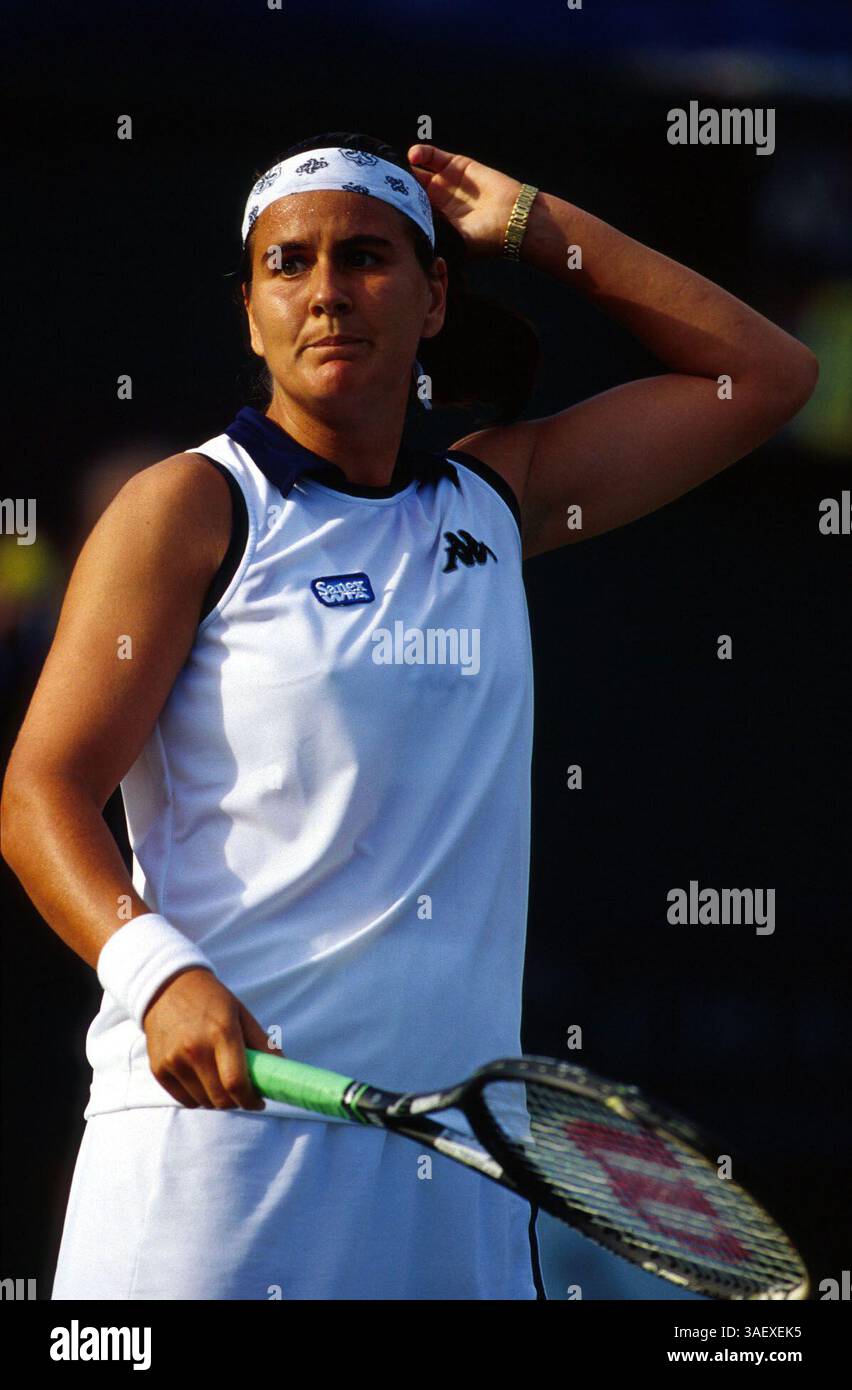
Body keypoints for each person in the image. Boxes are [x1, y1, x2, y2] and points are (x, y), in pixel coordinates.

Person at [0, 130, 817, 1301]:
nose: (327, 291)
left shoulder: (495, 497)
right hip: (211, 1172)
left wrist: (536, 223)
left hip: (453, 1199)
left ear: (436, 296)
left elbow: (766, 375)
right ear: (250, 312)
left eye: (370, 258)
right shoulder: (187, 506)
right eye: (289, 264)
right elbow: (41, 793)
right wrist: (157, 970)